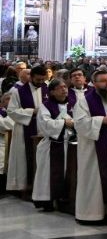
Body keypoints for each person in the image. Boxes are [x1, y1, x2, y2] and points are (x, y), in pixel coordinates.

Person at [74, 68, 107, 222]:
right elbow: (80, 123)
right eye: (103, 81)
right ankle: (91, 214)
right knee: (95, 180)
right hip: (94, 150)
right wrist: (102, 120)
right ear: (94, 83)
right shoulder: (85, 101)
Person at [33, 78, 75, 210]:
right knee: (47, 175)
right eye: (60, 88)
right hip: (51, 145)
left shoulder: (73, 104)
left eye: (65, 87)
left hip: (70, 144)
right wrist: (65, 122)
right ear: (52, 92)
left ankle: (64, 199)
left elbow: (81, 119)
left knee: (68, 173)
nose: (64, 89)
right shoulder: (46, 105)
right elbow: (45, 124)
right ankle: (47, 201)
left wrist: (74, 123)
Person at [6, 65, 49, 192]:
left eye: (43, 79)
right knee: (25, 159)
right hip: (24, 129)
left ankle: (41, 187)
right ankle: (24, 187)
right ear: (31, 77)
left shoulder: (47, 89)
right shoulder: (18, 91)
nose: (40, 82)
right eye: (38, 80)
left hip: (43, 129)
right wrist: (32, 112)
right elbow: (11, 111)